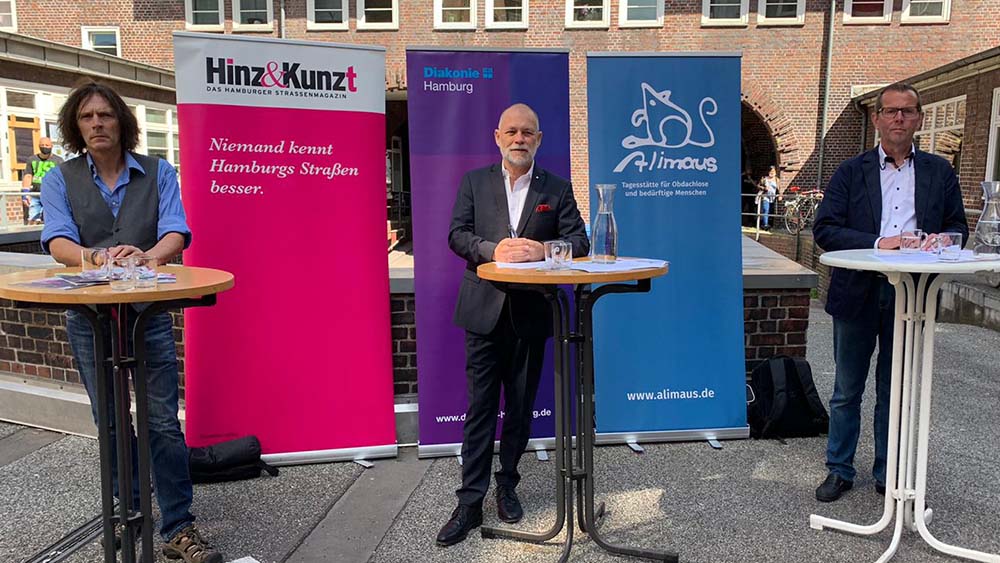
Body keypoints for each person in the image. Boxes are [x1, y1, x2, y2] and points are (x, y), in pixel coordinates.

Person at [39, 80, 223, 563]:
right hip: (91, 319)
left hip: (149, 315)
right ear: (76, 127)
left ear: (122, 122)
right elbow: (58, 242)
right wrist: (96, 257)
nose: (97, 124)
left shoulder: (159, 172)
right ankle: (129, 512)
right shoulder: (61, 178)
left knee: (162, 421)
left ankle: (179, 526)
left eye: (105, 115)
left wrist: (146, 256)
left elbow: (176, 232)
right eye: (87, 118)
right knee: (112, 422)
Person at [437, 103, 589, 546]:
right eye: (512, 132)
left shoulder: (557, 189)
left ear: (539, 139)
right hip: (482, 312)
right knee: (480, 408)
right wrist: (492, 250)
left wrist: (541, 251)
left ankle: (507, 485)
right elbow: (456, 234)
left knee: (520, 408)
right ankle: (469, 502)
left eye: (528, 132)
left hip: (531, 314)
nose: (519, 138)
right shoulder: (474, 182)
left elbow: (578, 240)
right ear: (497, 137)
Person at [812, 82, 968, 502]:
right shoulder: (850, 171)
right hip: (857, 290)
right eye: (891, 111)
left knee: (893, 389)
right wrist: (882, 242)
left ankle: (887, 471)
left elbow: (958, 228)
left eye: (908, 111)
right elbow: (824, 230)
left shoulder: (940, 172)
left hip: (911, 296)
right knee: (847, 389)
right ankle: (839, 469)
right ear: (877, 118)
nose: (899, 118)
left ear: (919, 118)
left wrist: (940, 241)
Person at [22, 137, 64, 224]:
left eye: (47, 145)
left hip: (51, 194)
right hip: (35, 194)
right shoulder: (32, 159)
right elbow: (28, 176)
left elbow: (62, 178)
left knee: (52, 220)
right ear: (39, 146)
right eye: (42, 145)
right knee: (33, 219)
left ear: (51, 146)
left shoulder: (58, 161)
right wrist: (25, 193)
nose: (45, 147)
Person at [757, 166, 779, 230]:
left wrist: (780, 195)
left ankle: (771, 224)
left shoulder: (777, 179)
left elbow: (779, 188)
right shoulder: (764, 179)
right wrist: (764, 188)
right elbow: (758, 186)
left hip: (773, 197)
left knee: (771, 211)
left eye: (773, 171)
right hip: (765, 196)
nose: (771, 173)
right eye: (770, 171)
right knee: (765, 209)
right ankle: (765, 224)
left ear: (775, 172)